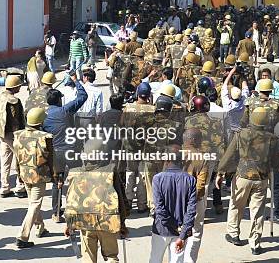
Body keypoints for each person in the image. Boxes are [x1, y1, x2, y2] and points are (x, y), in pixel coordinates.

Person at [216, 107, 279, 255]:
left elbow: (228, 156)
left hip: (242, 177)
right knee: (257, 212)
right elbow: (276, 162)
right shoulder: (272, 138)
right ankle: (255, 244)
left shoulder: (241, 134)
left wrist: (220, 172)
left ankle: (233, 234)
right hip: (261, 179)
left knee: (236, 205)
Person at [43, 74, 88, 222]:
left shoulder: (43, 115)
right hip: (71, 151)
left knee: (57, 183)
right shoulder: (65, 110)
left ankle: (56, 213)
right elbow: (83, 96)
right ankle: (79, 208)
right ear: (59, 100)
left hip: (55, 153)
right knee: (77, 179)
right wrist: (76, 81)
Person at [64, 162, 127, 263]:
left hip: (85, 222)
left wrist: (69, 224)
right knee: (111, 256)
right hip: (107, 221)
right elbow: (120, 199)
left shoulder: (75, 173)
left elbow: (71, 200)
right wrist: (122, 222)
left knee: (88, 258)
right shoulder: (110, 170)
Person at [13, 108, 55, 248]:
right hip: (39, 176)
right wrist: (55, 175)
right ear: (41, 122)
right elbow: (51, 159)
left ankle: (40, 227)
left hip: (25, 174)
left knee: (32, 203)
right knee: (35, 204)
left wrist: (18, 173)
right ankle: (22, 237)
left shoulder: (19, 135)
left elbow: (17, 158)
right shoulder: (45, 137)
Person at [149, 143, 197, 263]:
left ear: (166, 159)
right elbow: (191, 211)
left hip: (161, 230)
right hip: (180, 232)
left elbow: (159, 209)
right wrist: (182, 232)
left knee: (155, 259)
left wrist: (172, 225)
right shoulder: (190, 180)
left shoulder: (158, 179)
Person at [0, 75, 27, 198]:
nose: (20, 88)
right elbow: (15, 120)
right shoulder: (14, 101)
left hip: (1, 133)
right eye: (19, 86)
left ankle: (4, 187)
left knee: (5, 161)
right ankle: (20, 187)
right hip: (13, 134)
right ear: (15, 87)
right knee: (20, 160)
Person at [122, 83, 154, 213]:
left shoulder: (128, 108)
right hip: (145, 148)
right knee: (142, 175)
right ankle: (142, 204)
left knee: (130, 173)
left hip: (129, 147)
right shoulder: (152, 110)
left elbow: (121, 123)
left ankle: (128, 200)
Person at [180, 128, 209, 263]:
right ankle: (190, 260)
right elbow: (201, 184)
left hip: (177, 201)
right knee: (196, 233)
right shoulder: (202, 157)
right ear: (194, 140)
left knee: (178, 233)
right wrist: (193, 199)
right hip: (196, 200)